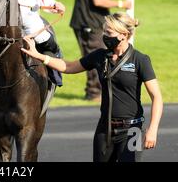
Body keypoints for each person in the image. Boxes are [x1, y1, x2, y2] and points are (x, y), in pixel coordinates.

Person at [21, 12, 163, 162]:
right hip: (105, 128)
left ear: (123, 35)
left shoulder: (140, 60)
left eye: (109, 32)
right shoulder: (100, 56)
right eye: (104, 31)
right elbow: (68, 66)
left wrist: (152, 129)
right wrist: (39, 56)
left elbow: (157, 97)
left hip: (133, 130)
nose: (104, 35)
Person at [70, 0, 132, 102]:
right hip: (89, 25)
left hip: (91, 24)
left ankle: (96, 91)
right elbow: (98, 0)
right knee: (94, 58)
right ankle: (93, 93)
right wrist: (122, 3)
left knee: (98, 57)